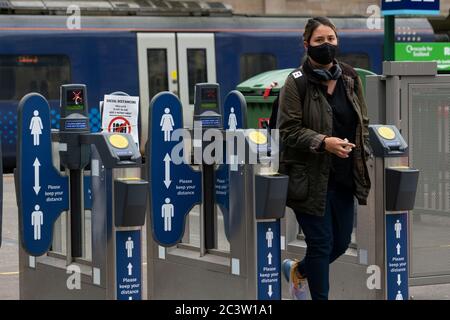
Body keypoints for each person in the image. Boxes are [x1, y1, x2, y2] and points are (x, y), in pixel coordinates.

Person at [277, 17, 371, 300]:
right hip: (308, 178)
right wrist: (323, 142)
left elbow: (362, 120)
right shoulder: (296, 83)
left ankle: (298, 271)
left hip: (342, 176)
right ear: (306, 45)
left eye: (331, 39)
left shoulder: (350, 78)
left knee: (340, 243)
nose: (326, 45)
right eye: (319, 40)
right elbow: (288, 130)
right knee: (320, 243)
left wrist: (360, 150)